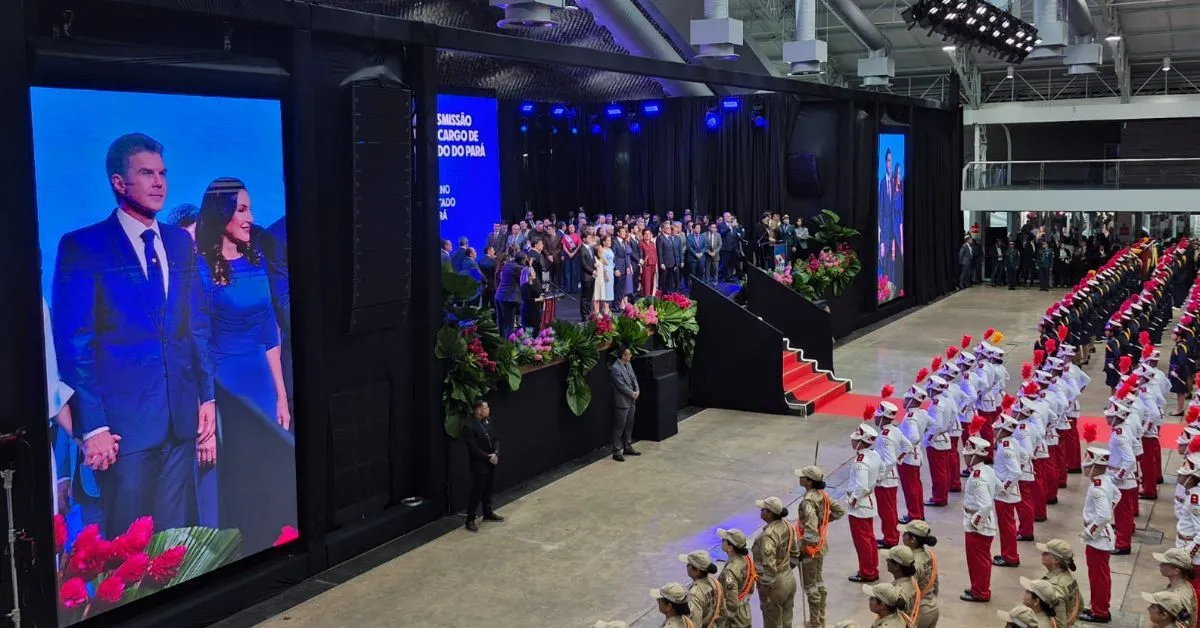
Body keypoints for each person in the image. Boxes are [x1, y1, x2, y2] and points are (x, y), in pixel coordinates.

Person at [52, 132, 214, 537]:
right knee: (127, 552)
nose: (159, 183)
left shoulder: (179, 242)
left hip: (180, 421)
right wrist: (93, 427)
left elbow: (194, 325)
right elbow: (75, 344)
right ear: (118, 182)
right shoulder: (84, 246)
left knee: (177, 547)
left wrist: (207, 396)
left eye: (162, 173)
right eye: (146, 173)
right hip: (122, 433)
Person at [795, 465, 845, 628]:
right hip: (821, 546)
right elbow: (839, 511)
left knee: (811, 587)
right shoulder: (822, 495)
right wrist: (823, 521)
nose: (800, 478)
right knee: (818, 583)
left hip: (810, 549)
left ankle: (815, 622)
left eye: (803, 477)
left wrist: (803, 547)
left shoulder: (808, 501)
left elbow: (810, 530)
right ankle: (820, 618)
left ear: (809, 481)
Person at [1079, 447, 1118, 623]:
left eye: (1088, 465)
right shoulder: (1105, 480)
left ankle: (1100, 611)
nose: (1085, 468)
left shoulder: (1097, 488)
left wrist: (1090, 531)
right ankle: (1098, 606)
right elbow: (1117, 495)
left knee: (1098, 577)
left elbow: (1104, 516)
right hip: (1102, 534)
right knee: (1099, 575)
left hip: (1098, 538)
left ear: (1095, 467)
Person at [959, 436, 997, 602]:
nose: (965, 456)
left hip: (978, 523)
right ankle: (978, 587)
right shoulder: (987, 470)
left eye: (968, 454)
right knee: (980, 558)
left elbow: (986, 505)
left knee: (978, 560)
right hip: (983, 520)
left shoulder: (977, 478)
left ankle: (980, 591)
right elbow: (999, 487)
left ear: (976, 456)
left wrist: (976, 522)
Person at [847, 423, 883, 583]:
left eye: (855, 439)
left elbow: (861, 486)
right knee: (869, 538)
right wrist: (873, 484)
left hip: (859, 505)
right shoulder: (874, 455)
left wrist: (853, 500)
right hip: (869, 501)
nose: (852, 441)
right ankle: (872, 568)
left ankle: (867, 572)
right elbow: (882, 471)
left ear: (861, 443)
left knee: (862, 541)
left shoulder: (860, 462)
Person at [461, 400, 502, 532]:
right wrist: (487, 457)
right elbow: (473, 448)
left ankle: (487, 513)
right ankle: (470, 519)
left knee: (488, 488)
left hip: (491, 461)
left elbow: (496, 438)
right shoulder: (469, 426)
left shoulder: (488, 421)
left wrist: (496, 453)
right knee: (477, 490)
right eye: (486, 408)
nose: (488, 410)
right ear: (478, 410)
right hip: (479, 463)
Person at [992, 413, 1023, 568]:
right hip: (1006, 492)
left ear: (1003, 430)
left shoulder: (1006, 448)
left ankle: (1010, 556)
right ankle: (1008, 553)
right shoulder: (1011, 442)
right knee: (1007, 525)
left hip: (1005, 494)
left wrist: (1005, 488)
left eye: (996, 428)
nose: (993, 430)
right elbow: (1023, 457)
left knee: (1007, 526)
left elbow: (1016, 472)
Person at [898, 520, 940, 628]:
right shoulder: (929, 555)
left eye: (905, 534)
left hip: (919, 612)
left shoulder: (911, 563)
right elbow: (935, 583)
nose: (902, 535)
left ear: (913, 540)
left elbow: (908, 592)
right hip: (933, 606)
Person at [1038, 539, 1082, 627]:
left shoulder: (1054, 587)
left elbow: (1059, 623)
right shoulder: (1068, 576)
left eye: (1046, 553)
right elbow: (1080, 604)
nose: (1042, 554)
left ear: (1056, 560)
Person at [716, 528, 755, 628]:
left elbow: (732, 603)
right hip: (744, 610)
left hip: (735, 619)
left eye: (724, 540)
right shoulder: (746, 560)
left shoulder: (730, 571)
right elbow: (751, 586)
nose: (722, 541)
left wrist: (722, 621)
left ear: (730, 548)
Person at [610, 346, 640, 462]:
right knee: (619, 427)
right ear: (623, 356)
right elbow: (621, 385)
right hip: (622, 402)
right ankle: (616, 451)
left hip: (631, 400)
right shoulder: (615, 368)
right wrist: (633, 394)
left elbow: (634, 378)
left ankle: (627, 446)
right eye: (629, 354)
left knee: (629, 425)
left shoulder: (628, 364)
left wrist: (637, 390)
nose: (631, 356)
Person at [1154, 548, 1200, 624]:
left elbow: (1183, 624)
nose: (1160, 565)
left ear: (1176, 571)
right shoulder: (1178, 586)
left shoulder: (1179, 597)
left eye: (1164, 563)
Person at [679, 550, 722, 628]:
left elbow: (695, 624)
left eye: (689, 564)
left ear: (697, 571)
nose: (687, 566)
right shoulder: (715, 582)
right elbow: (723, 611)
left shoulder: (694, 594)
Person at [883, 545, 924, 627]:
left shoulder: (898, 593)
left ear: (896, 566)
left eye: (889, 560)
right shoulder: (912, 581)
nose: (886, 560)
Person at [494, 252, 524, 337]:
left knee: (501, 321)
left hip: (499, 296)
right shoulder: (517, 268)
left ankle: (501, 340)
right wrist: (530, 265)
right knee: (508, 324)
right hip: (508, 298)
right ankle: (507, 342)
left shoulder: (507, 265)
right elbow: (527, 274)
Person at [596, 236, 614, 318]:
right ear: (603, 242)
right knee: (605, 290)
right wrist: (605, 273)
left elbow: (611, 262)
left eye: (610, 240)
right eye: (608, 241)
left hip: (611, 271)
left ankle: (607, 308)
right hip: (605, 272)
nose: (610, 242)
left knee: (610, 290)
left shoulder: (610, 249)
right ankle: (604, 308)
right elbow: (602, 263)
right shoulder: (602, 250)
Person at [639, 228, 659, 297]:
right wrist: (642, 264)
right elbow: (640, 255)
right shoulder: (641, 243)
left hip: (653, 264)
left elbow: (655, 254)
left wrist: (656, 264)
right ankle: (646, 298)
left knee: (652, 282)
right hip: (646, 266)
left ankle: (651, 297)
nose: (647, 235)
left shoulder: (652, 243)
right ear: (643, 235)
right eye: (645, 234)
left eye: (649, 234)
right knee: (646, 283)